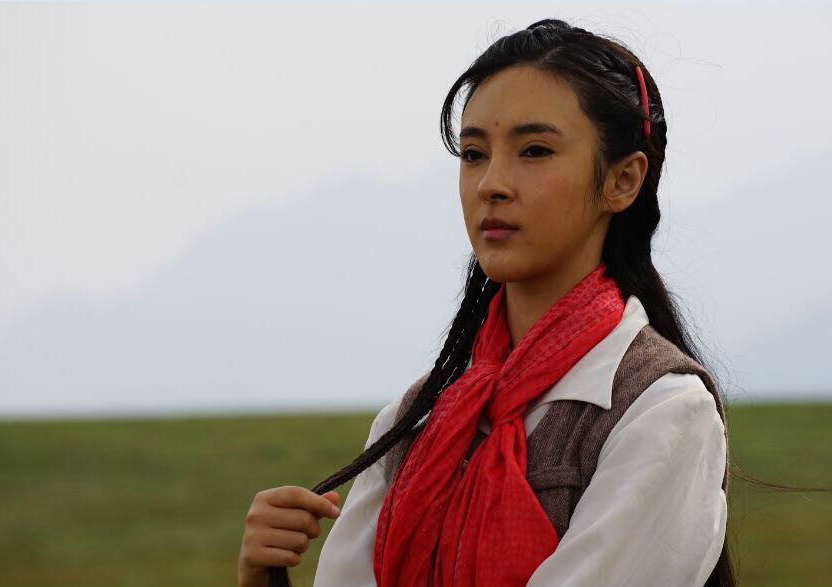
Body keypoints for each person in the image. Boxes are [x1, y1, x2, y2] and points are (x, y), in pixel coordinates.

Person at [238, 18, 736, 587]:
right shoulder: (414, 419)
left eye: (535, 150)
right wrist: (261, 578)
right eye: (474, 153)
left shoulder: (661, 411)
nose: (491, 184)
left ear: (622, 180)